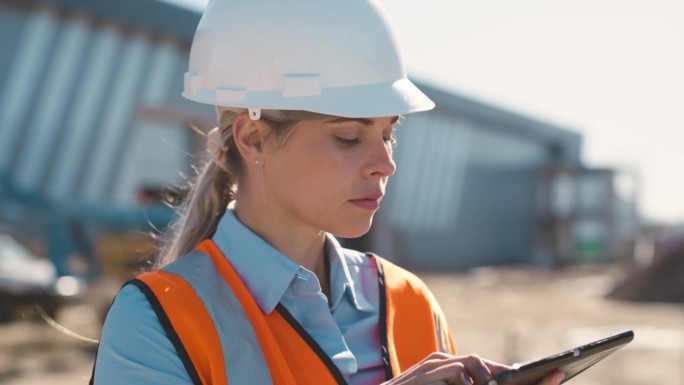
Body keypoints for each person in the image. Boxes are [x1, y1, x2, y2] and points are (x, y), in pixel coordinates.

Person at [91, 1, 565, 384]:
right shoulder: (157, 320)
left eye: (387, 133)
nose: (386, 163)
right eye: (348, 137)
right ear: (252, 140)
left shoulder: (409, 302)